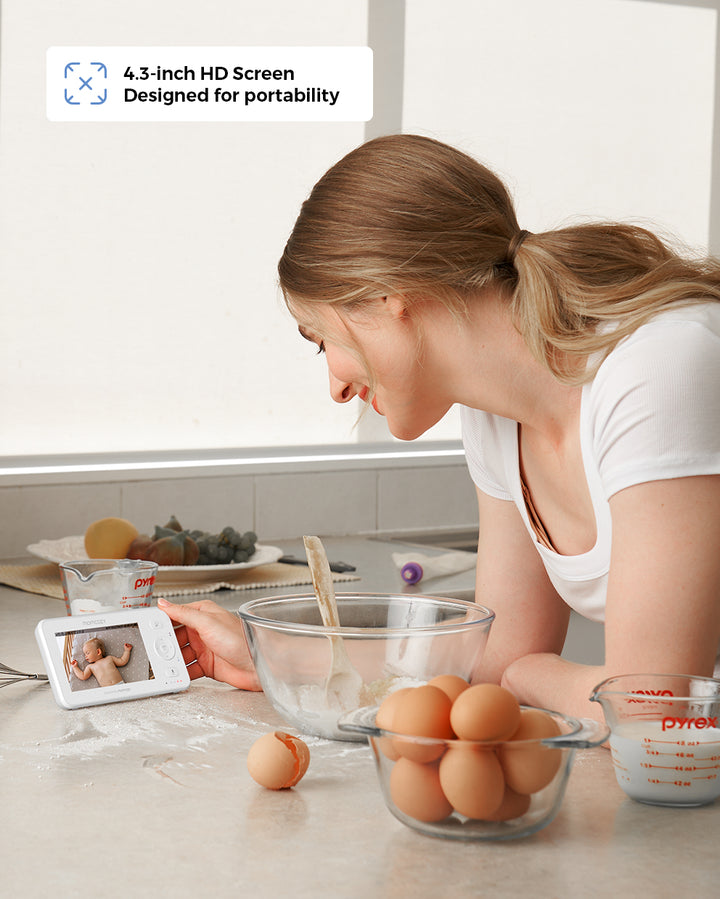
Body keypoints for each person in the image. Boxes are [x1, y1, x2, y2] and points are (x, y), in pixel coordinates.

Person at [160, 134, 720, 721]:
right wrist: (274, 657)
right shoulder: (496, 418)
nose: (336, 385)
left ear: (386, 295)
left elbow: (651, 711)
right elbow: (489, 664)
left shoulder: (658, 369)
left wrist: (529, 675)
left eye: (321, 339)